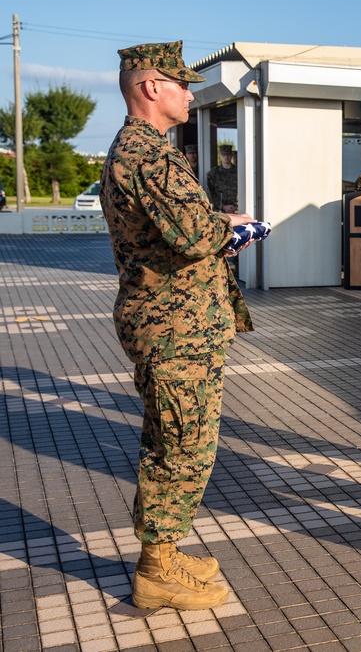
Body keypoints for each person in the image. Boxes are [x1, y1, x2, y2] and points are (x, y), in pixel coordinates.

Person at [101, 40, 258, 611]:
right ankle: (157, 567)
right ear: (151, 88)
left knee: (174, 438)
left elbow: (178, 227)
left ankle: (162, 551)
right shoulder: (148, 155)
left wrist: (219, 223)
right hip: (175, 328)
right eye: (182, 84)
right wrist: (234, 230)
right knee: (182, 445)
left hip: (175, 323)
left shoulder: (142, 152)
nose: (191, 94)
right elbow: (194, 236)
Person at [206, 144, 238, 213]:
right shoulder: (213, 173)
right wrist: (222, 206)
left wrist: (236, 206)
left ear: (231, 155)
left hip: (236, 210)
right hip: (219, 210)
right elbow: (210, 192)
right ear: (220, 155)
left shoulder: (238, 172)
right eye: (224, 155)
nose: (226, 157)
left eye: (228, 155)